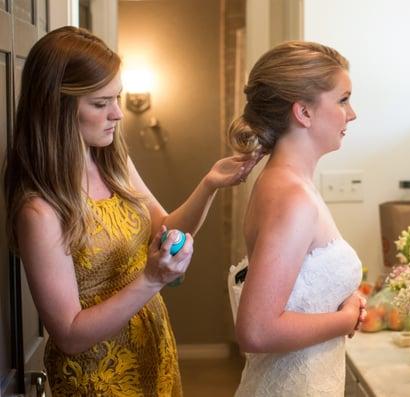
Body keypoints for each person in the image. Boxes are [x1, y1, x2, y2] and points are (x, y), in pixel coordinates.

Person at [3, 26, 261, 396]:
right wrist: (152, 279)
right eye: (101, 103)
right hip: (98, 378)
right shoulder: (39, 209)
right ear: (57, 106)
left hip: (152, 353)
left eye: (117, 98)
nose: (118, 114)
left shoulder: (113, 161)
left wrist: (209, 185)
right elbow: (70, 334)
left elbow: (166, 227)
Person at [229, 41, 367, 396]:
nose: (351, 114)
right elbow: (256, 330)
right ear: (303, 112)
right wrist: (346, 319)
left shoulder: (291, 183)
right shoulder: (292, 198)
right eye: (342, 100)